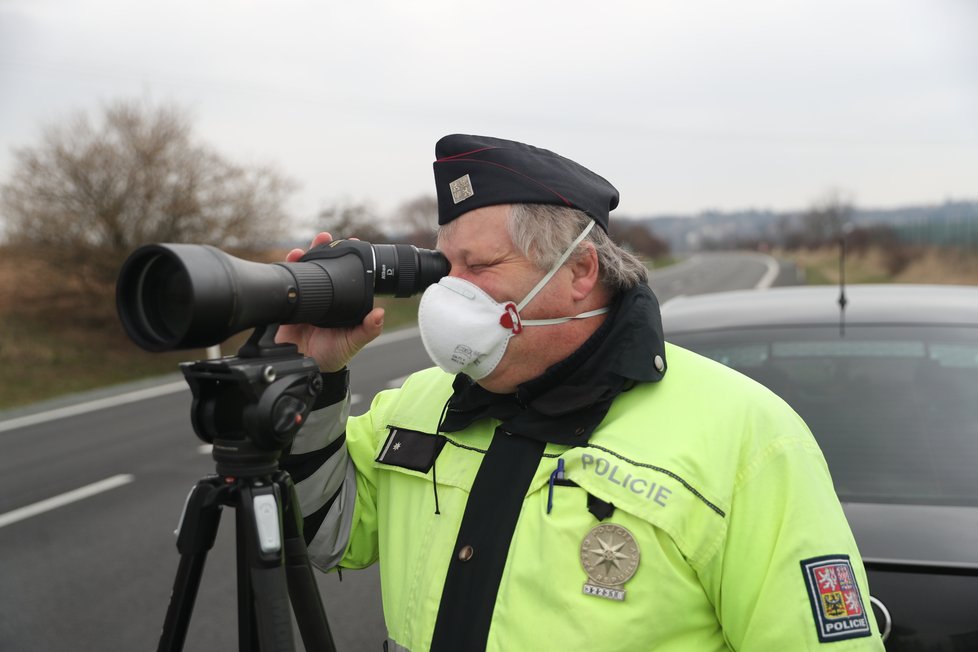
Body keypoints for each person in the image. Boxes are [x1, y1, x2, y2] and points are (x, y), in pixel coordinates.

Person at [277, 134, 884, 651]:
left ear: (579, 271)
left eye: (479, 267)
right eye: (443, 268)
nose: (447, 294)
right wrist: (315, 379)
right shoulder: (416, 405)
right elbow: (324, 530)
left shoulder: (747, 437)